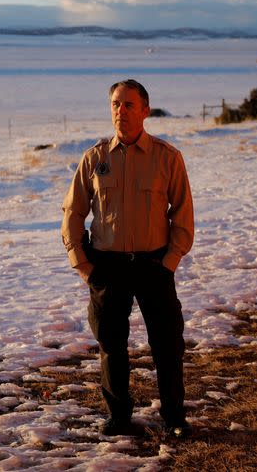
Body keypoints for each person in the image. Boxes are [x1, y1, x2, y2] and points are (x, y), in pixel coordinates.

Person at [61, 79, 194, 438]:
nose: (121, 111)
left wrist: (170, 261)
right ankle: (119, 416)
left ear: (146, 110)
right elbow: (73, 212)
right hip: (108, 267)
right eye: (116, 104)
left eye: (129, 105)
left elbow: (183, 214)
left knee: (167, 346)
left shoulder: (167, 158)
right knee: (111, 346)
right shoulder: (95, 158)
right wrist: (83, 265)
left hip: (155, 265)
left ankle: (174, 418)